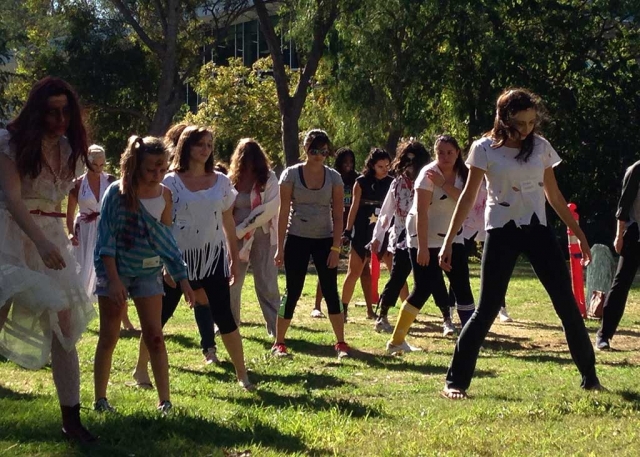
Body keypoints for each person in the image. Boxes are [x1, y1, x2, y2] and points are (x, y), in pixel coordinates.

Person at [438, 88, 603, 399]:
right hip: (501, 231)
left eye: (531, 122)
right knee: (486, 309)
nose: (527, 129)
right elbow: (468, 197)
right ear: (503, 118)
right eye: (520, 123)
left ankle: (590, 378)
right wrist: (448, 240)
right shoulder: (484, 149)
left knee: (567, 306)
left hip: (538, 230)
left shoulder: (540, 147)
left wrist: (578, 233)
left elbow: (553, 196)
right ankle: (455, 383)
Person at [0, 76, 96, 442]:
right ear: (37, 111)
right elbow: (12, 199)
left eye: (65, 111)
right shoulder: (9, 142)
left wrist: (54, 240)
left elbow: (59, 202)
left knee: (65, 329)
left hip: (52, 238)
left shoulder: (71, 148)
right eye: (52, 112)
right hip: (11, 235)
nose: (59, 119)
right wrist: (39, 242)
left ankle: (72, 420)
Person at [135, 126, 255, 390]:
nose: (206, 149)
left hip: (214, 259)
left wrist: (233, 257)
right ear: (186, 146)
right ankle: (140, 370)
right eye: (200, 143)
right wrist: (167, 263)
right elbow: (162, 226)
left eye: (210, 144)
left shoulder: (222, 182)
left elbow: (227, 220)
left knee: (225, 318)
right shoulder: (169, 182)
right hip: (178, 261)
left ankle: (242, 375)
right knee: (158, 318)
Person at [93, 135, 196, 414]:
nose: (157, 174)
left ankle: (165, 402)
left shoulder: (165, 195)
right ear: (136, 164)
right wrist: (113, 281)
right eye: (152, 168)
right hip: (116, 271)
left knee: (155, 336)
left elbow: (167, 240)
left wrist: (181, 277)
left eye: (163, 168)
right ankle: (100, 400)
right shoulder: (117, 192)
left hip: (148, 272)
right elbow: (106, 240)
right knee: (109, 335)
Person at [386, 135, 475, 354]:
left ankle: (471, 339)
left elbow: (466, 199)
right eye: (440, 152)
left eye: (449, 152)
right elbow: (421, 213)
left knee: (462, 285)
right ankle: (396, 341)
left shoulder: (464, 174)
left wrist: (444, 183)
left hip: (453, 236)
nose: (445, 157)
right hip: (423, 236)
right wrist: (422, 248)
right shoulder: (426, 176)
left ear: (457, 153)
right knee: (422, 288)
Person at [273, 129, 350, 358]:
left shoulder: (334, 177)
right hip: (297, 237)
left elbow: (338, 214)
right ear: (306, 149)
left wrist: (337, 247)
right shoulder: (290, 175)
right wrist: (279, 247)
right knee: (293, 289)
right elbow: (283, 211)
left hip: (324, 239)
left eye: (324, 151)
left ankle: (341, 343)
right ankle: (279, 342)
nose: (319, 155)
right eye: (314, 150)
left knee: (330, 290)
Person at [66, 145, 136, 330]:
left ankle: (125, 321)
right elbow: (70, 214)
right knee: (81, 274)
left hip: (106, 228)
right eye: (94, 164)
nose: (98, 169)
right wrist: (71, 234)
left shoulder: (111, 181)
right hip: (85, 231)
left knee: (114, 273)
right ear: (87, 163)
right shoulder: (78, 184)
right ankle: (75, 319)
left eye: (102, 164)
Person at [371, 140, 429, 333]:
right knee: (397, 277)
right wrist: (377, 236)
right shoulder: (397, 184)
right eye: (408, 160)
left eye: (415, 161)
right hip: (403, 238)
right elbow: (386, 212)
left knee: (432, 279)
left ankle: (447, 316)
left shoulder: (429, 180)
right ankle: (382, 315)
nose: (411, 165)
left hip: (427, 237)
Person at [229, 138, 279, 337]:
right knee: (232, 281)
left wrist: (241, 229)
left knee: (266, 282)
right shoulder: (231, 180)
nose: (248, 162)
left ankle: (276, 328)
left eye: (252, 158)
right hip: (234, 238)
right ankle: (230, 325)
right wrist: (232, 233)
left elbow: (268, 210)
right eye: (244, 158)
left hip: (262, 236)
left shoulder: (270, 179)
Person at [312, 148, 365, 318]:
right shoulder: (332, 178)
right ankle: (317, 305)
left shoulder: (357, 180)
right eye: (345, 162)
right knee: (327, 266)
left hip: (352, 227)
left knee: (362, 268)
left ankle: (369, 309)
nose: (348, 165)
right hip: (333, 225)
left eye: (351, 162)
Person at [342, 148, 393, 320]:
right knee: (354, 272)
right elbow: (354, 207)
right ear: (372, 165)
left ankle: (408, 310)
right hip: (363, 228)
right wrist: (348, 231)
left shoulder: (392, 182)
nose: (385, 169)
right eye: (380, 166)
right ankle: (343, 310)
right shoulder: (361, 182)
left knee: (396, 270)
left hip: (385, 229)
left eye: (387, 165)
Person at [595, 159, 640, 350]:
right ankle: (604, 335)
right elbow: (624, 205)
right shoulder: (636, 169)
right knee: (621, 284)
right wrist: (619, 235)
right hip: (635, 233)